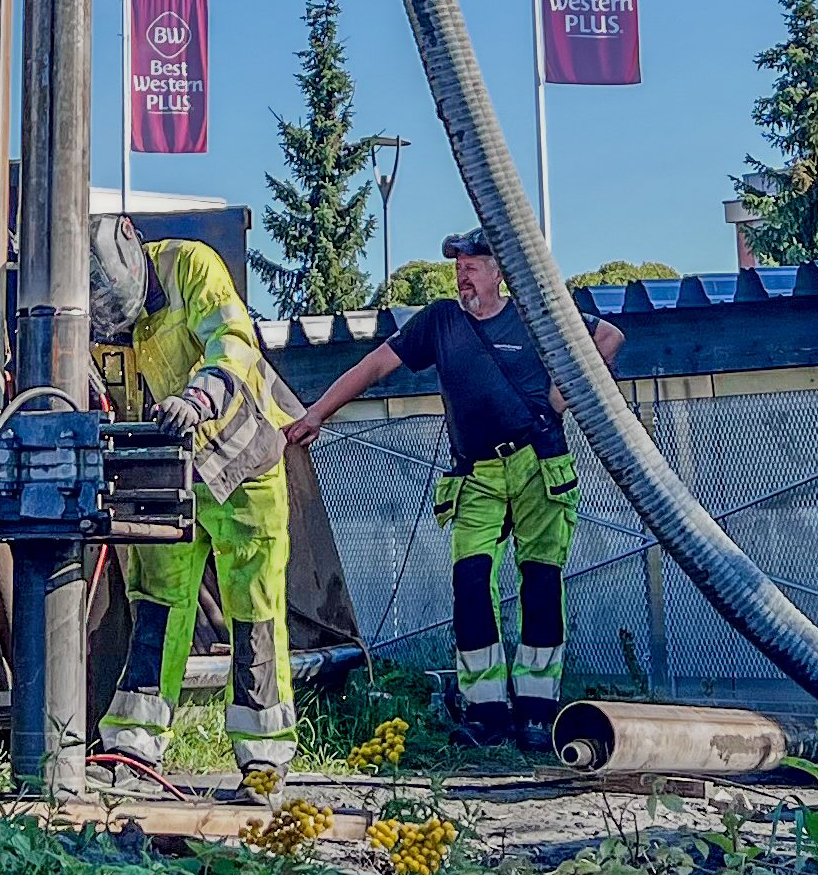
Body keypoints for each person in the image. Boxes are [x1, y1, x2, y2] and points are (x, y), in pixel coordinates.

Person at [284, 226, 624, 747]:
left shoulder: (535, 313)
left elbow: (608, 337)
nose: (462, 274)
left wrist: (562, 397)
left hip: (538, 464)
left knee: (539, 583)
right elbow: (375, 365)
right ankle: (486, 712)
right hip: (476, 474)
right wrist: (317, 415)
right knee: (470, 584)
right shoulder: (440, 320)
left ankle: (537, 714)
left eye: (472, 265)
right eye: (457, 266)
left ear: (498, 272)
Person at [88, 212, 307, 790]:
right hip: (165, 473)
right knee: (156, 603)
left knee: (253, 604)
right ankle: (133, 746)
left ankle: (264, 755)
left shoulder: (189, 265)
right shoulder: (98, 309)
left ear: (131, 240)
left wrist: (200, 393)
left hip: (241, 462)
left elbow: (232, 340)